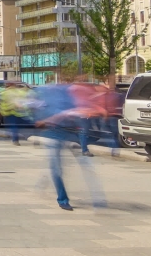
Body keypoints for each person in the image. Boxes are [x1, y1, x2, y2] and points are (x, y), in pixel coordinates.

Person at [34, 82, 104, 211]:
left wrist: (92, 110)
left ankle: (98, 200)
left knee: (85, 166)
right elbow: (44, 116)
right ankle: (63, 199)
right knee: (57, 169)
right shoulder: (46, 96)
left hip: (71, 134)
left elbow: (79, 108)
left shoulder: (68, 94)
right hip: (53, 135)